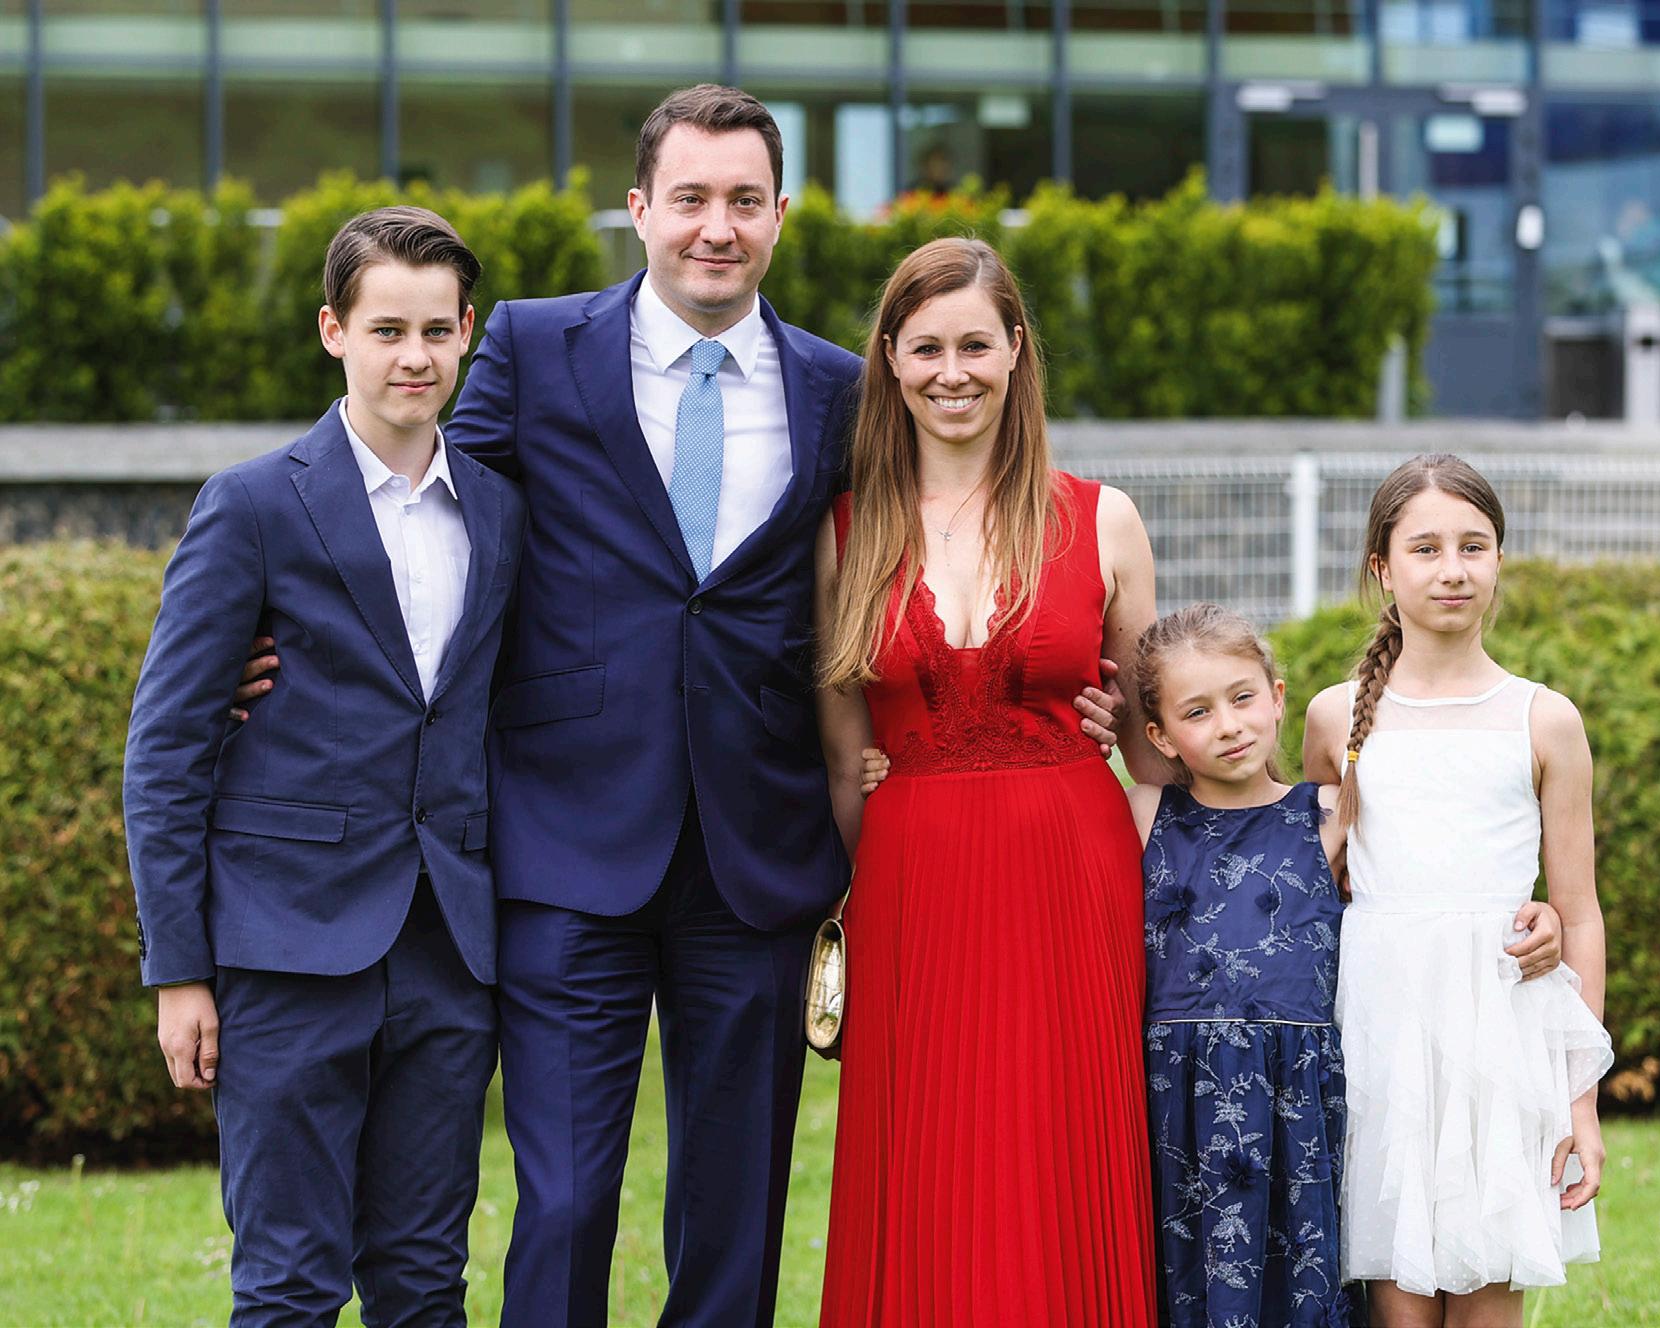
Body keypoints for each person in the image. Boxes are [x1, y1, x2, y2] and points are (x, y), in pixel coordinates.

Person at [232, 86, 1123, 1326]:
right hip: (566, 841)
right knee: (564, 1200)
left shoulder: (836, 389)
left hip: (755, 850)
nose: (718, 225)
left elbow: (921, 554)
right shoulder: (535, 347)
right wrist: (288, 625)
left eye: (744, 200)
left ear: (780, 215)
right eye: (691, 197)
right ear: (640, 208)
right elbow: (420, 493)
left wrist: (1063, 693)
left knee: (733, 1208)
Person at [123, 206, 524, 1325]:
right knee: (289, 1284)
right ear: (333, 330)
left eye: (436, 330)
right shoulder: (253, 504)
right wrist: (179, 969)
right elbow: (165, 749)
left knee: (423, 1281)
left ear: (467, 332)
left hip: (448, 949)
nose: (414, 356)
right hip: (285, 947)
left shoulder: (501, 509)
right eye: (386, 328)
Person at [813, 236, 1161, 1326]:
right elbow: (842, 759)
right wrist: (861, 890)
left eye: (975, 344)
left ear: (1016, 349)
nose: (951, 372)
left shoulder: (1103, 518)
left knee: (1061, 1151)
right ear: (889, 358)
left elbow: (1156, 751)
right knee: (927, 1161)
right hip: (910, 888)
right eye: (926, 348)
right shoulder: (844, 531)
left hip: (1073, 881)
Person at [1122, 603, 1566, 1328]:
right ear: (1159, 735)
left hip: (1298, 1105)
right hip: (1183, 1104)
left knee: (1301, 1287)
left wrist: (1539, 911)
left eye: (1242, 698)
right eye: (1197, 712)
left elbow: (1439, 874)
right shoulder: (1143, 816)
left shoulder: (1330, 815)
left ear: (1278, 698)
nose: (1228, 725)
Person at [1303, 453, 1613, 1326]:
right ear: (1382, 568)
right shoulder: (1333, 719)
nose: (1452, 570)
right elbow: (1322, 886)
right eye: (1425, 548)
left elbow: (1580, 911)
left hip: (1499, 1033)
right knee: (1396, 1298)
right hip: (1380, 1033)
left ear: (1499, 560)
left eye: (1473, 546)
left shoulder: (1543, 719)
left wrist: (1579, 1098)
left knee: (1488, 1293)